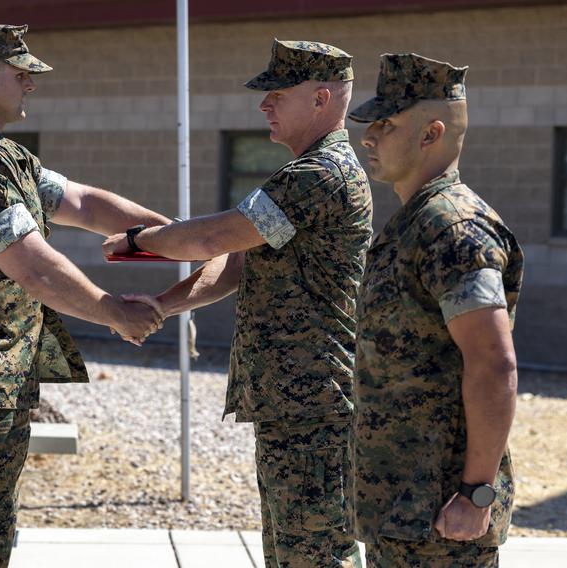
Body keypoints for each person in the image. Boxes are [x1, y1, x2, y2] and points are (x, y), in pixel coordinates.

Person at [0, 24, 170, 568]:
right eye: (21, 75)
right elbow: (31, 266)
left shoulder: (6, 157)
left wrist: (174, 237)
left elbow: (85, 203)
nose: (31, 85)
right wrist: (113, 312)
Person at [103, 39, 373, 568]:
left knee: (317, 554)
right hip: (291, 403)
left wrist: (140, 238)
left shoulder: (318, 175)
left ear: (321, 99)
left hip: (313, 405)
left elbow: (214, 239)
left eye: (276, 94)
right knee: (289, 551)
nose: (263, 105)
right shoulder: (302, 173)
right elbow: (237, 261)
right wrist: (163, 305)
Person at [347, 53, 523, 567]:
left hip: (441, 516)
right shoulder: (416, 222)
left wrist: (477, 493)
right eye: (370, 124)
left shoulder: (452, 229)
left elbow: (494, 364)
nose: (368, 137)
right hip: (404, 510)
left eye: (387, 124)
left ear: (431, 134)